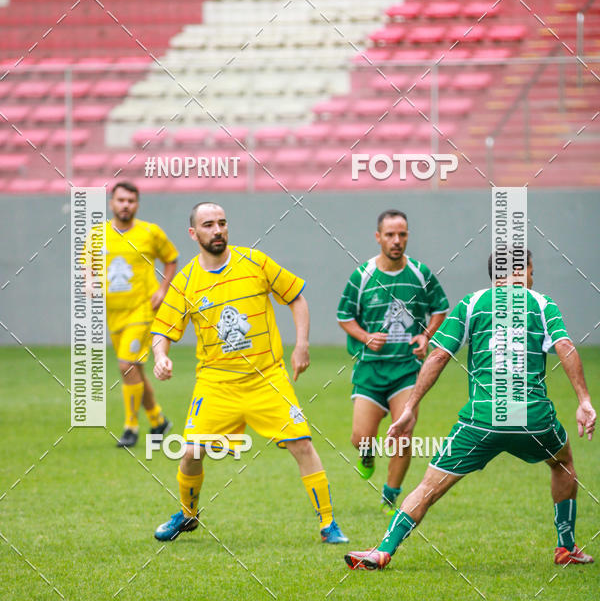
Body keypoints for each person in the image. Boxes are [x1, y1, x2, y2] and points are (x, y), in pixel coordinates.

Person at [345, 250, 596, 570]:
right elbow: (565, 346)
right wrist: (584, 400)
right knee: (562, 462)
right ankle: (566, 547)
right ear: (525, 269)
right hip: (532, 418)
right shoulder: (543, 304)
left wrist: (409, 408)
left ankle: (383, 550)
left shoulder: (472, 304)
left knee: (428, 487)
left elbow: (437, 357)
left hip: (481, 421)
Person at [151, 201, 348, 544]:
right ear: (193, 233)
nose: (218, 230)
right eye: (209, 224)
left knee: (302, 443)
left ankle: (328, 524)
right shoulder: (185, 282)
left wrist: (301, 344)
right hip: (216, 384)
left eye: (222, 223)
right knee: (191, 452)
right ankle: (188, 514)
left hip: (266, 378)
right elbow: (163, 330)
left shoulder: (255, 262)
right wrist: (160, 356)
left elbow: (296, 298)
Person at [337, 209, 448, 514]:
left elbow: (440, 308)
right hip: (370, 370)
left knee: (403, 433)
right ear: (378, 237)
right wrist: (364, 336)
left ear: (407, 235)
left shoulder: (421, 274)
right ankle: (367, 455)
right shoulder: (362, 276)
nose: (396, 241)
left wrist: (426, 335)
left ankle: (390, 495)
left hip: (406, 371)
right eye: (390, 235)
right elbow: (344, 316)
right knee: (360, 439)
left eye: (402, 234)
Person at [84, 181, 178, 447]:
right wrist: (89, 281)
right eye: (121, 200)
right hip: (114, 313)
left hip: (142, 310)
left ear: (137, 204)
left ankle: (131, 428)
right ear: (112, 203)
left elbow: (171, 259)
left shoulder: (150, 232)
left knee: (126, 366)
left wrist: (163, 289)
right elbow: (87, 266)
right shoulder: (96, 234)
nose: (126, 205)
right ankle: (158, 420)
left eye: (131, 201)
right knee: (134, 370)